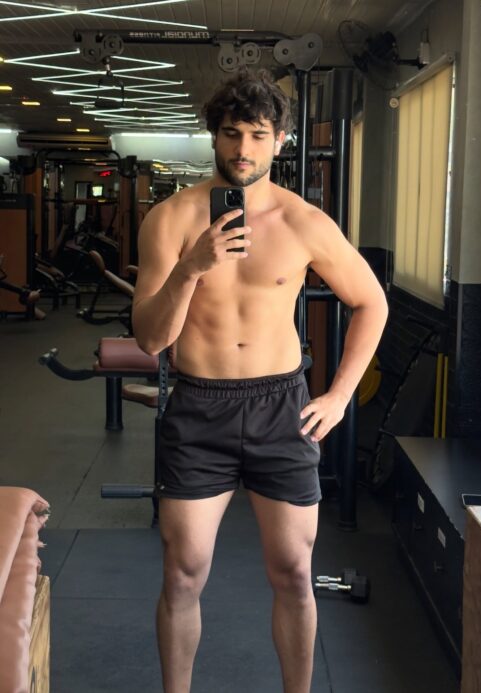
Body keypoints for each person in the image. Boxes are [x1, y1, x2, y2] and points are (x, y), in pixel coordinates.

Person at [132, 68, 388, 693]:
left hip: (280, 406)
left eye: (257, 134)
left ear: (280, 140)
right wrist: (191, 268)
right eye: (231, 133)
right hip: (200, 406)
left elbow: (371, 302)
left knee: (294, 574)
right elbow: (150, 339)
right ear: (213, 136)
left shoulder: (304, 222)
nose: (243, 149)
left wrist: (339, 396)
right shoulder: (170, 219)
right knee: (182, 574)